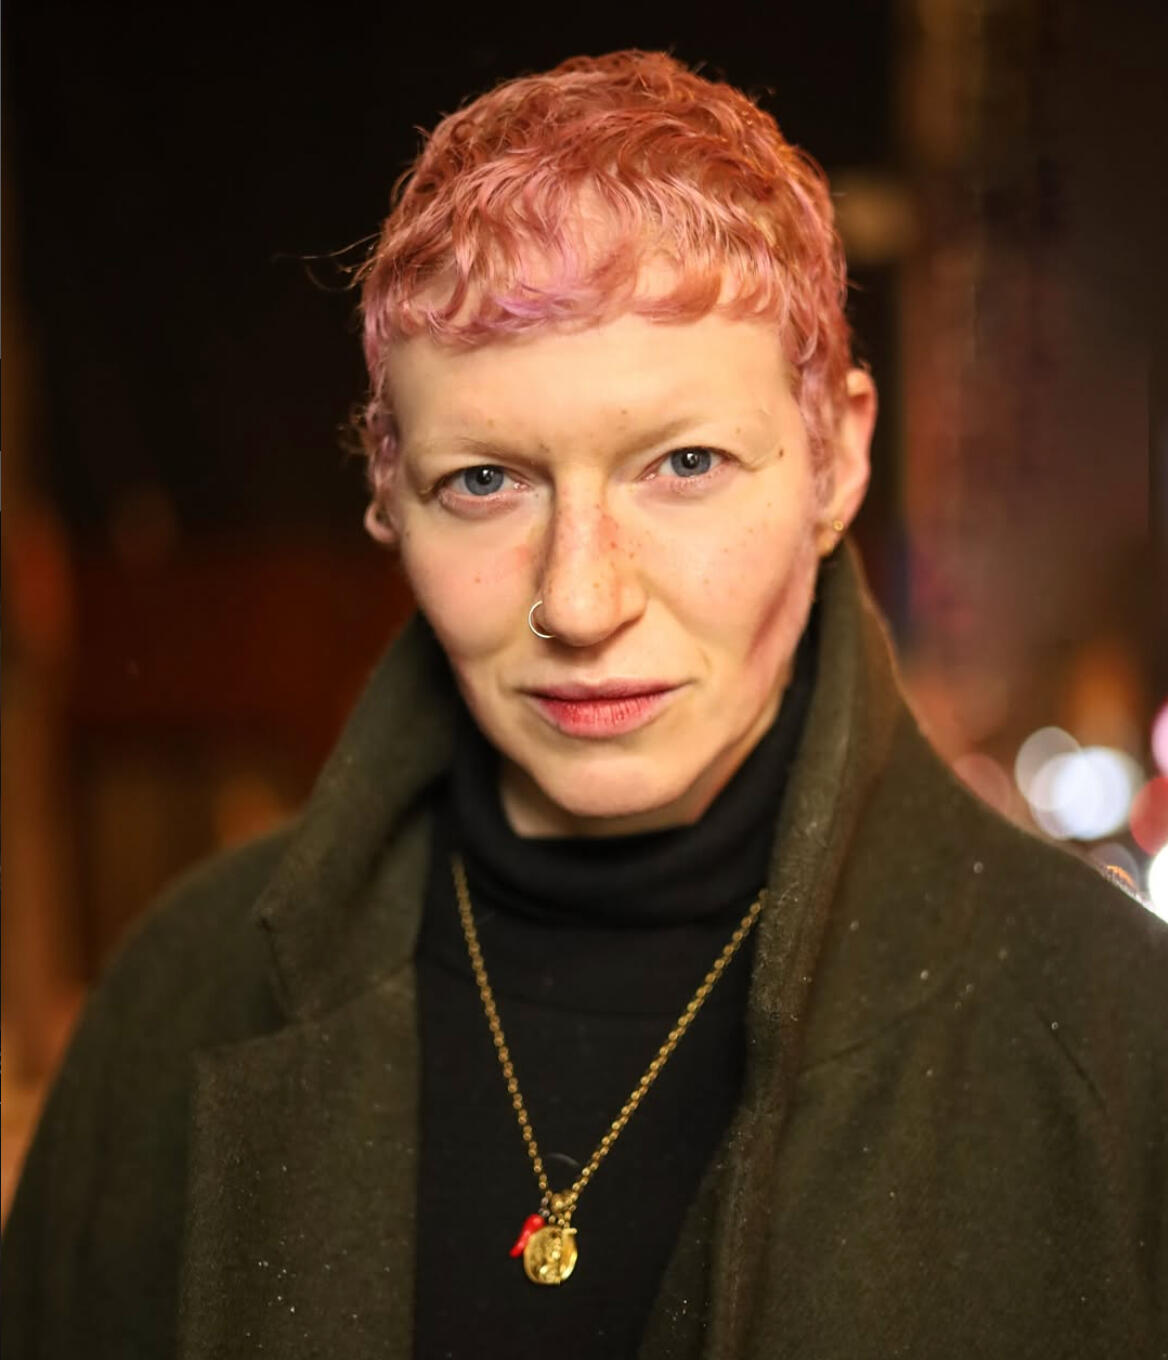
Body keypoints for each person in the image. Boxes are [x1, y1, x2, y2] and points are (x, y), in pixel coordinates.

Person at [3, 49, 1165, 1360]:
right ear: (386, 487)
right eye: (485, 482)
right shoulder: (175, 1002)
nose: (580, 599)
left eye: (685, 463)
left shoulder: (1118, 1043)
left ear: (836, 460)